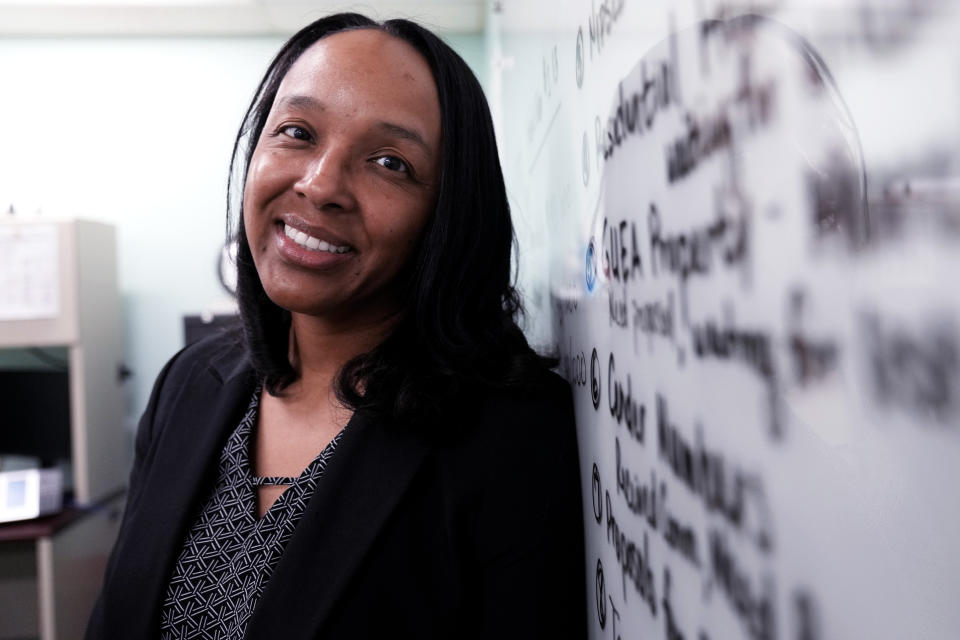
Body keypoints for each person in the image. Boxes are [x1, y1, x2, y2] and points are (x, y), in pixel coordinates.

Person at [86, 12, 586, 640]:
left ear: (447, 214)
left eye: (389, 162)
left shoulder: (512, 435)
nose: (321, 186)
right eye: (297, 131)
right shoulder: (190, 382)